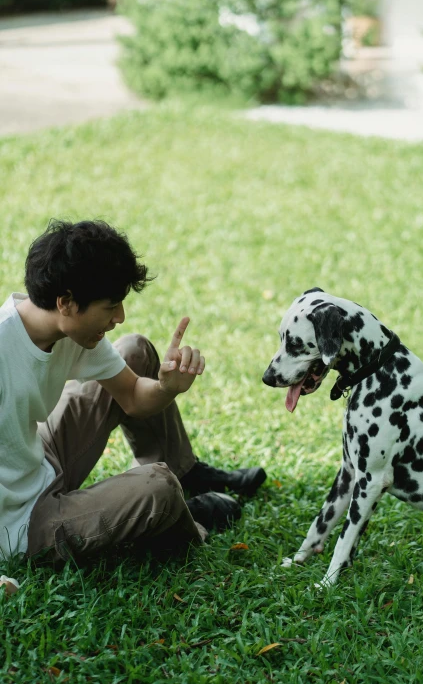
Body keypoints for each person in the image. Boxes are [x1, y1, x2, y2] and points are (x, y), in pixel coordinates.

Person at [0, 219, 266, 566]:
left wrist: (166, 387)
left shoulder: (71, 331)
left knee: (135, 351)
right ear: (66, 302)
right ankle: (184, 516)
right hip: (22, 522)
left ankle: (186, 475)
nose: (120, 317)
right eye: (111, 306)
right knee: (158, 487)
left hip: (39, 462)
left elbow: (132, 396)